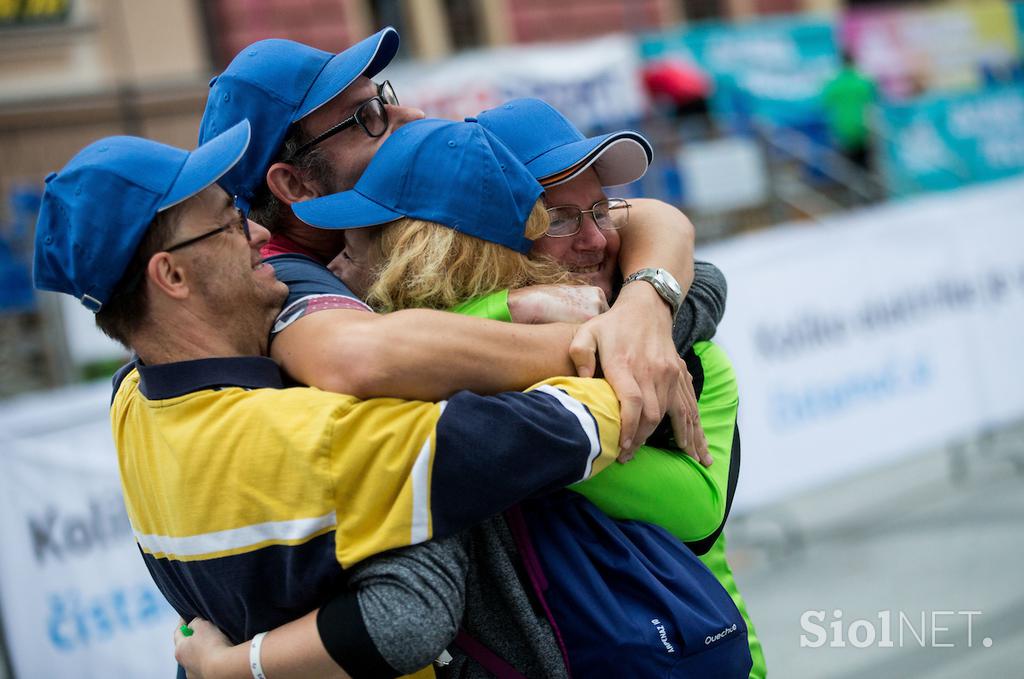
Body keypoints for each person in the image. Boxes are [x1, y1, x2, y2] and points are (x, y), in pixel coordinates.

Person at [32, 123, 632, 673]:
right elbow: (578, 422)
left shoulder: (133, 404)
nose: (261, 232)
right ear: (172, 276)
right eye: (230, 222)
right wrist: (653, 309)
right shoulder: (320, 435)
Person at [174, 117, 757, 677]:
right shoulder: (405, 342)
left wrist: (641, 307)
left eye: (602, 210)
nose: (597, 237)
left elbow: (698, 513)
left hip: (697, 646)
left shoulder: (668, 342)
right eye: (561, 218)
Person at [198, 28, 708, 458]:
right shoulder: (271, 272)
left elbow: (646, 216)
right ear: (294, 186)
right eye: (366, 117)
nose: (409, 116)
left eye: (385, 99)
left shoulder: (371, 222)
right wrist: (586, 335)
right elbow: (358, 357)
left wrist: (645, 305)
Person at [821, 50, 878, 172]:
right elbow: (875, 99)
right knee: (867, 165)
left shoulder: (834, 84)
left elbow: (823, 103)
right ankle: (867, 187)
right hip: (863, 127)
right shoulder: (862, 82)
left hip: (842, 128)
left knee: (851, 166)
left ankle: (856, 188)